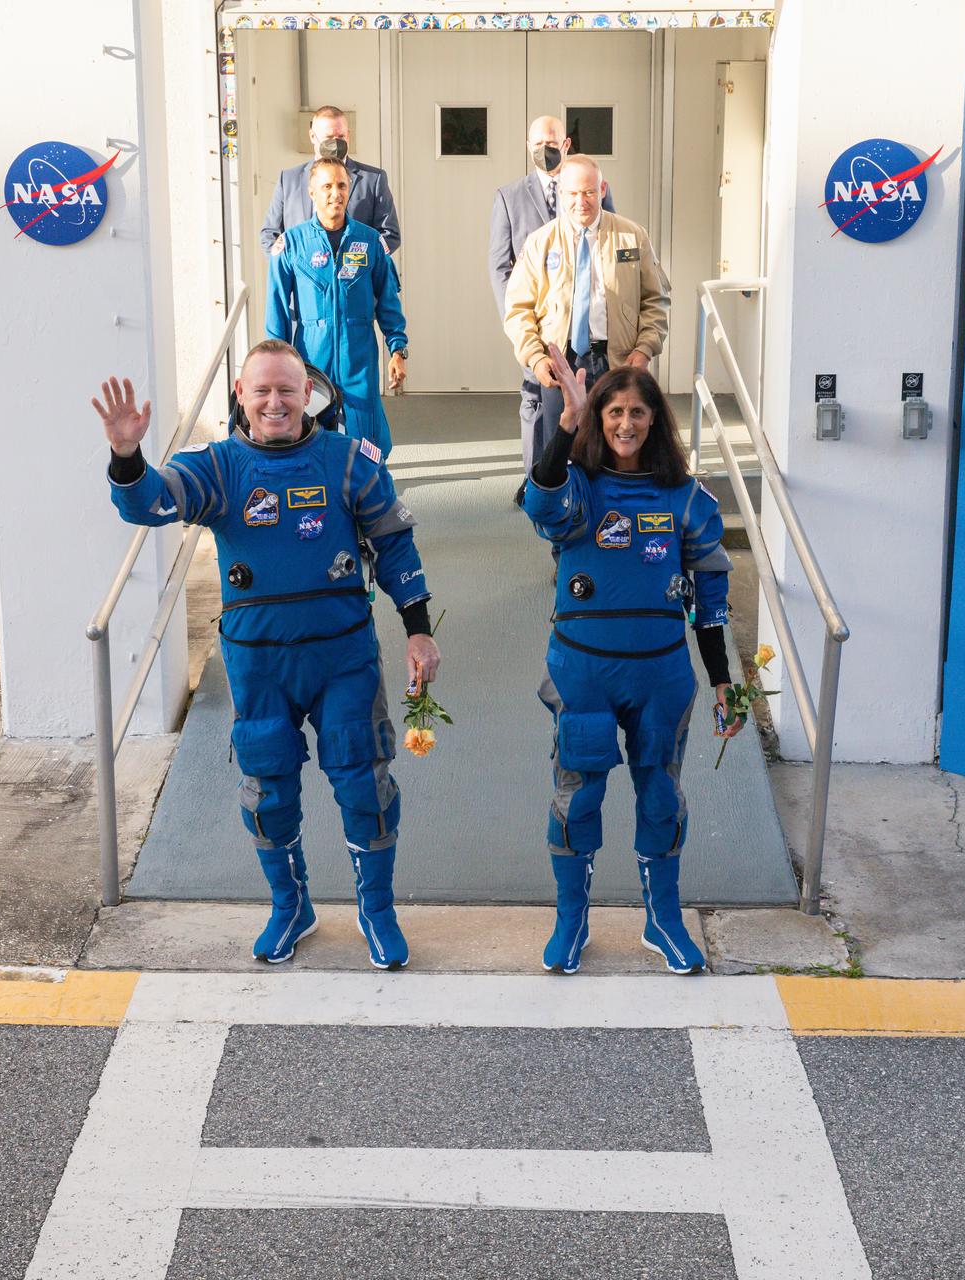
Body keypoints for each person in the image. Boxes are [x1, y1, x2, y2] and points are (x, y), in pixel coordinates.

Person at [91, 340, 441, 971]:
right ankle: (290, 905)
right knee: (268, 788)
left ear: (308, 393)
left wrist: (417, 627)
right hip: (259, 666)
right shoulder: (218, 467)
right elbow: (149, 503)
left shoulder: (349, 461)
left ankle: (377, 910)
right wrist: (126, 455)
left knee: (365, 782)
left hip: (343, 658)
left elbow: (394, 543)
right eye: (262, 391)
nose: (275, 402)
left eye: (287, 389)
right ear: (241, 397)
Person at [522, 344, 742, 976]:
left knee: (661, 798)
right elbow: (540, 506)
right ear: (599, 418)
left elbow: (712, 598)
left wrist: (723, 678)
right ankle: (572, 920)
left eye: (637, 412)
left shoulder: (687, 499)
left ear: (655, 420)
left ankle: (662, 919)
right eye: (612, 411)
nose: (624, 423)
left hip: (661, 674)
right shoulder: (579, 490)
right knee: (578, 797)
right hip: (583, 673)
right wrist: (565, 426)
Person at [504, 154, 669, 463]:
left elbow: (655, 300)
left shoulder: (633, 236)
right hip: (560, 364)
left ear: (602, 189)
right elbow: (517, 309)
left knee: (616, 448)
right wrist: (536, 358)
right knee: (561, 448)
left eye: (589, 192)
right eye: (573, 193)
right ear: (561, 194)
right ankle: (562, 509)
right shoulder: (541, 242)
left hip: (617, 361)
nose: (581, 201)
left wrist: (645, 349)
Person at [488, 118, 615, 505]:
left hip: (588, 329)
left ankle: (590, 485)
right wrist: (520, 327)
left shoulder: (590, 188)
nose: (546, 147)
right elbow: (500, 266)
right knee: (536, 404)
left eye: (552, 141)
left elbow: (607, 251)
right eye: (538, 142)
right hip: (540, 328)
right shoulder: (510, 196)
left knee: (590, 408)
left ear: (566, 142)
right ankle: (537, 482)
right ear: (528, 145)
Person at [265, 158, 408, 457]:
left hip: (359, 359)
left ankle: (370, 496)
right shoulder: (290, 244)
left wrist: (398, 350)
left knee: (368, 443)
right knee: (309, 441)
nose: (335, 193)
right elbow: (276, 311)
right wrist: (276, 366)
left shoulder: (370, 242)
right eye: (327, 186)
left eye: (342, 185)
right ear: (312, 193)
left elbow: (389, 304)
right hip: (311, 361)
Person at [260, 105, 401, 257]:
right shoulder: (289, 180)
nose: (335, 143)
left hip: (353, 276)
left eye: (341, 137)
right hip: (302, 277)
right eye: (328, 138)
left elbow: (390, 235)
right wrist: (291, 266)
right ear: (313, 137)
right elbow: (269, 235)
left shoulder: (373, 179)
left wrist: (358, 261)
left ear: (348, 135)